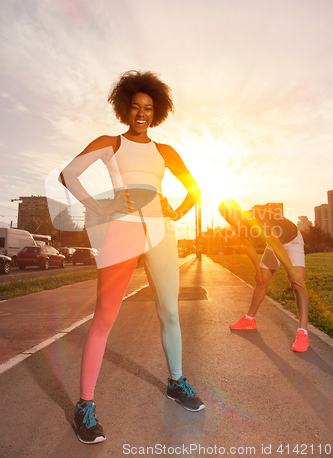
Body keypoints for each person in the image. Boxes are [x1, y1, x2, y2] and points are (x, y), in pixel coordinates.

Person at [59, 71, 204, 445]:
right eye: (136, 107)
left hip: (161, 233)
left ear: (157, 112)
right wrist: (98, 204)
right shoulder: (110, 142)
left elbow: (195, 189)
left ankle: (176, 382)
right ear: (125, 109)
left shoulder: (165, 151)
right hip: (121, 230)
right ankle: (84, 406)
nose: (142, 113)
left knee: (169, 311)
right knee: (105, 316)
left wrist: (176, 213)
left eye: (149, 108)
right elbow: (68, 173)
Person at [218, 199, 310, 353]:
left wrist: (291, 272)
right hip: (274, 244)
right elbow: (248, 245)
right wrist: (258, 270)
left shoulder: (255, 218)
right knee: (261, 281)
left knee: (297, 284)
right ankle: (249, 320)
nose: (227, 217)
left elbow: (278, 246)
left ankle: (303, 333)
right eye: (223, 215)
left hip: (291, 241)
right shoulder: (236, 224)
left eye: (228, 213)